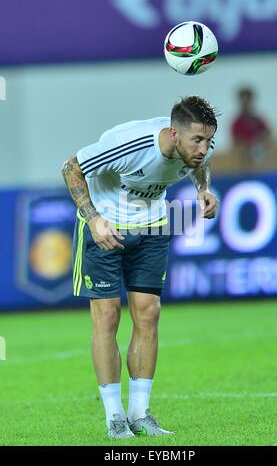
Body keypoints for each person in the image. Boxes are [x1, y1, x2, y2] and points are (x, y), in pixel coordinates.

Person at [62, 96, 219, 438]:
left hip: (153, 226)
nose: (205, 149)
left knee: (148, 314)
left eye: (209, 141)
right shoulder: (130, 144)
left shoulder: (193, 150)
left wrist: (204, 189)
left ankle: (140, 413)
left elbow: (198, 165)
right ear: (173, 134)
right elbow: (70, 168)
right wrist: (94, 219)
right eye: (198, 141)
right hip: (106, 228)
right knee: (107, 318)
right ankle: (114, 416)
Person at [231, 87, 271, 167]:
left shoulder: (258, 120)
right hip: (245, 157)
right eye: (243, 101)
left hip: (261, 154)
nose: (246, 104)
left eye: (248, 101)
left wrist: (260, 142)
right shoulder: (236, 123)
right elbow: (236, 143)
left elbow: (268, 134)